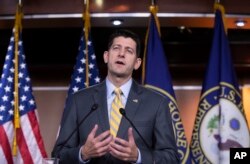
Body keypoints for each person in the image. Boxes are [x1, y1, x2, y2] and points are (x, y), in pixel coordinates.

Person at [52, 29, 179, 163]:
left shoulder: (157, 103)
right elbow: (58, 154)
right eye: (116, 48)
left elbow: (172, 158)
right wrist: (83, 153)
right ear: (106, 56)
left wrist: (138, 156)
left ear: (137, 63)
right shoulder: (80, 100)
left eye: (129, 51)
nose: (121, 54)